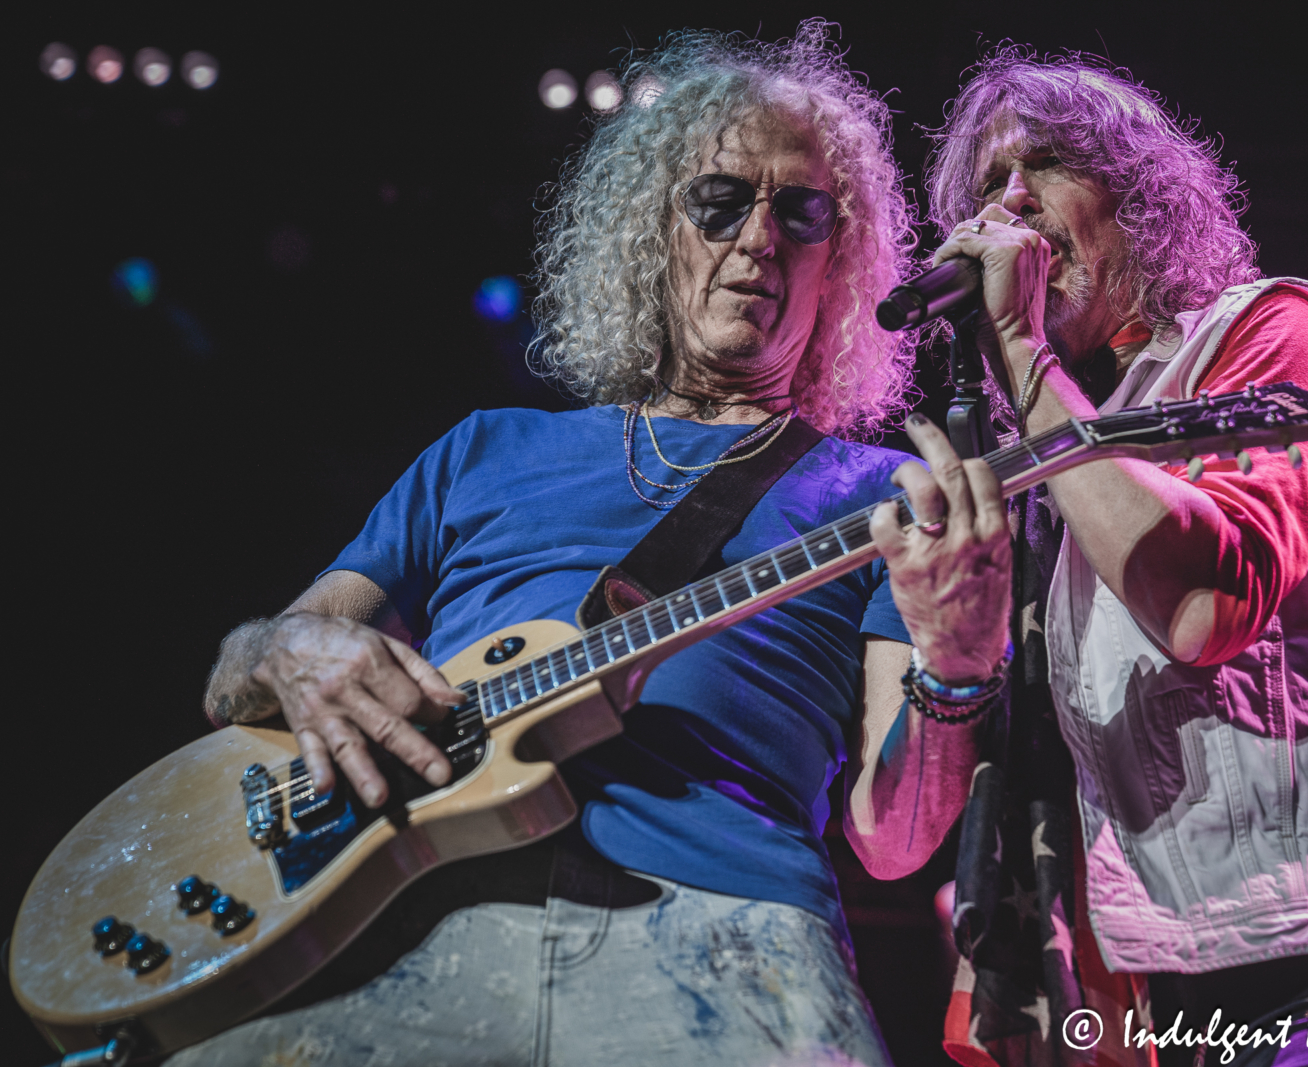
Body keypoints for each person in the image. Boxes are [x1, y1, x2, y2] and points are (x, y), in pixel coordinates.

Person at [179, 25, 1010, 1067]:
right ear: (655, 230)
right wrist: (287, 649)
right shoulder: (488, 447)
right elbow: (235, 687)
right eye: (720, 201)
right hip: (408, 903)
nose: (759, 237)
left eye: (800, 211)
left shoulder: (884, 494)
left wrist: (961, 666)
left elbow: (893, 841)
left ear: (838, 259)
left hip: (727, 928)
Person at [890, 52, 1308, 1066]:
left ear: (1140, 198)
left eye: (1045, 163)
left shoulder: (1271, 329)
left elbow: (1208, 604)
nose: (1011, 203)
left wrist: (1019, 351)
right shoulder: (1041, 472)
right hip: (1150, 998)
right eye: (986, 186)